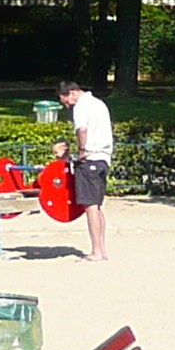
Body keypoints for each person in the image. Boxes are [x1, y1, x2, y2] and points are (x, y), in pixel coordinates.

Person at [57, 79, 113, 261]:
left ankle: (96, 251)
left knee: (90, 207)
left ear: (72, 93)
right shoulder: (99, 103)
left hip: (90, 159)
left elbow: (82, 130)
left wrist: (81, 151)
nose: (67, 106)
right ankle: (101, 249)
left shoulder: (81, 107)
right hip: (104, 159)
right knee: (96, 206)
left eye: (66, 102)